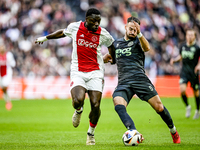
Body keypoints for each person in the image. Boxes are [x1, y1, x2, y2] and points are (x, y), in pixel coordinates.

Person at [35, 8, 114, 145]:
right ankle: (78, 110)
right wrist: (46, 38)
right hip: (78, 71)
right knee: (78, 100)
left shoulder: (103, 33)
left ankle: (91, 133)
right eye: (93, 21)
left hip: (96, 72)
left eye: (98, 21)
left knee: (95, 105)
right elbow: (62, 33)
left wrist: (113, 57)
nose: (96, 24)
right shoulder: (75, 27)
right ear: (86, 19)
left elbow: (112, 45)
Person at [104, 16, 181, 144]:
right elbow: (114, 59)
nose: (133, 32)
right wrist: (106, 59)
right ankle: (133, 131)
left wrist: (140, 34)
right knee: (118, 103)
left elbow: (147, 48)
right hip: (124, 82)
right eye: (131, 29)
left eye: (135, 30)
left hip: (140, 79)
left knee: (159, 107)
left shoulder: (139, 41)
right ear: (125, 27)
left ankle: (173, 131)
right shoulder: (116, 44)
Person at [170, 29, 200, 119]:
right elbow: (181, 56)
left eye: (192, 35)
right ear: (186, 36)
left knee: (196, 93)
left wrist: (198, 66)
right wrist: (175, 60)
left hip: (193, 73)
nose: (190, 36)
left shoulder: (197, 48)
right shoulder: (182, 46)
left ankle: (197, 110)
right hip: (184, 72)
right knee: (182, 90)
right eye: (188, 35)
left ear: (194, 36)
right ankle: (187, 106)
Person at [0, 42, 16, 110]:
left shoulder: (8, 55)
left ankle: (7, 101)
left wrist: (9, 62)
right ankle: (7, 100)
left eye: (2, 47)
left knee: (5, 85)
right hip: (0, 73)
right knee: (2, 87)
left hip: (7, 73)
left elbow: (13, 63)